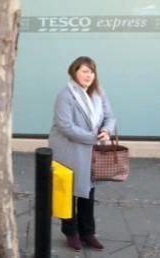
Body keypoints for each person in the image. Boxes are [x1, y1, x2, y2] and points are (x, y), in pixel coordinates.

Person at [49, 56, 117, 251]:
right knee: (69, 191)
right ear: (74, 72)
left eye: (91, 71)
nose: (89, 75)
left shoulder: (98, 93)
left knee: (88, 191)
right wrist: (93, 138)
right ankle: (71, 233)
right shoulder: (66, 95)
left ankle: (88, 232)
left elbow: (110, 117)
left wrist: (106, 131)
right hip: (69, 148)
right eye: (84, 71)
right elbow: (65, 126)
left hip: (90, 149)